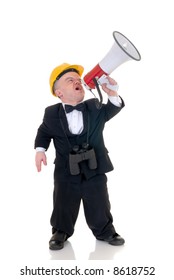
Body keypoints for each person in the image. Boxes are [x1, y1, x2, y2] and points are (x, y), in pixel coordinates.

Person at [34, 63, 125, 250]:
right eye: (70, 80)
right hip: (66, 169)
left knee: (99, 199)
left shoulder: (94, 106)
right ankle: (60, 231)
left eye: (78, 80)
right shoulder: (51, 113)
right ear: (59, 92)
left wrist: (112, 93)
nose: (78, 82)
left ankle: (105, 230)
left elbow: (112, 110)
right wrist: (40, 150)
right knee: (63, 199)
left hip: (95, 165)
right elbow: (43, 131)